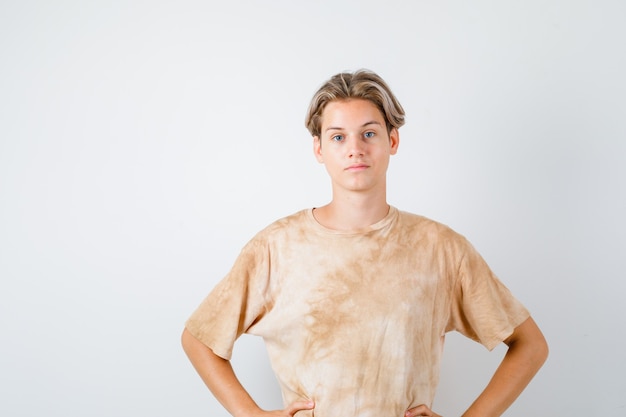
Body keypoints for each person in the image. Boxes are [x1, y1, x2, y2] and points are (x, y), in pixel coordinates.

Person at [181, 69, 548, 417]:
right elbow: (199, 339)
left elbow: (529, 345)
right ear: (319, 149)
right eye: (338, 136)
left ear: (392, 140)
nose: (354, 148)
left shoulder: (440, 248)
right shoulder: (276, 247)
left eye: (368, 133)